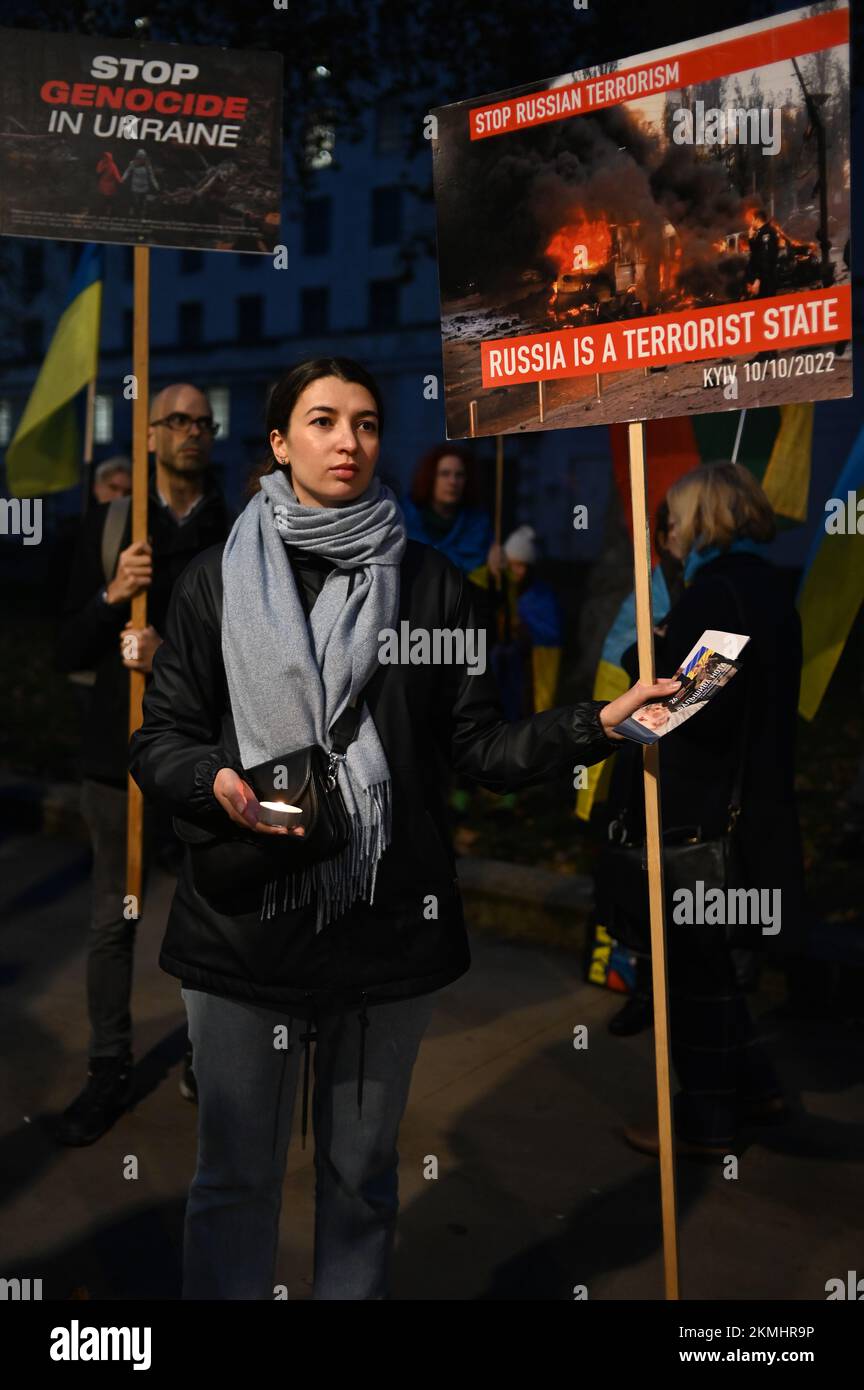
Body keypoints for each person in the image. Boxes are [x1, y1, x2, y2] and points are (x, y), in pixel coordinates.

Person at [127, 355, 680, 1300]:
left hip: (385, 929)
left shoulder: (433, 586)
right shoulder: (216, 579)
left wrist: (597, 721)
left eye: (368, 423)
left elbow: (480, 749)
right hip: (243, 927)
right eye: (323, 421)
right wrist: (207, 775)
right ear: (277, 442)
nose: (348, 441)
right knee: (234, 1183)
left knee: (360, 1184)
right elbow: (160, 737)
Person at [609, 462, 806, 1157]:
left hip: (701, 821)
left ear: (701, 518)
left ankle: (705, 1123)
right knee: (716, 967)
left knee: (693, 972)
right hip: (753, 811)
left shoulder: (716, 596)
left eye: (674, 517)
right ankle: (758, 1087)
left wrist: (649, 648)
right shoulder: (768, 589)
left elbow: (681, 706)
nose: (668, 531)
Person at [54, 384, 233, 1145]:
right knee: (112, 919)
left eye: (202, 421)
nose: (191, 432)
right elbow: (66, 647)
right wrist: (112, 594)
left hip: (203, 755)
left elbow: (258, 657)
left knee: (210, 913)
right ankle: (108, 1068)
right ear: (149, 433)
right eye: (176, 421)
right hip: (116, 756)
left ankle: (206, 1056)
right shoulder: (112, 525)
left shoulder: (239, 530)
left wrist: (168, 661)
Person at [402, 443, 496, 579]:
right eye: (445, 474)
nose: (453, 481)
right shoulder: (404, 519)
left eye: (459, 475)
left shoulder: (479, 526)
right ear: (430, 478)